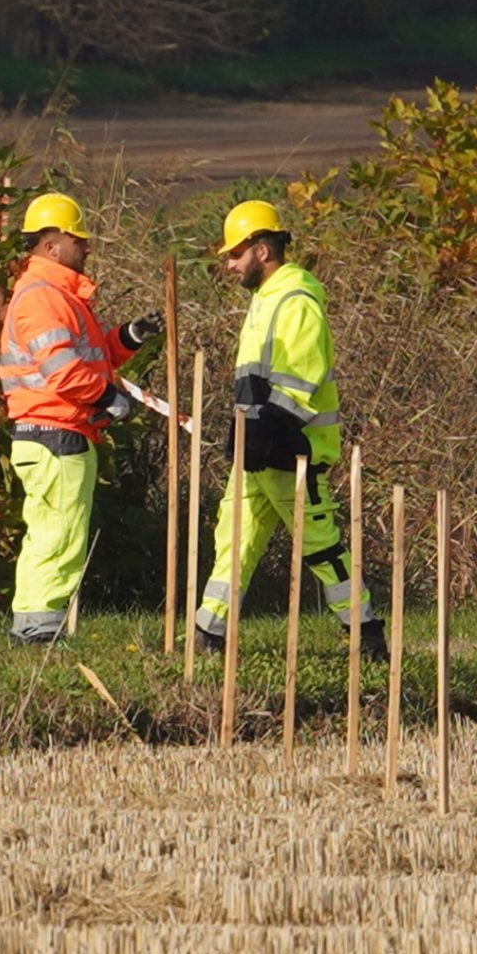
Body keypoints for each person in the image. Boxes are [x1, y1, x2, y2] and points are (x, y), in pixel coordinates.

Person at [193, 200, 388, 660]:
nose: (228, 264)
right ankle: (209, 634)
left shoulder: (295, 299)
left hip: (291, 450)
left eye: (234, 254)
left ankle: (366, 632)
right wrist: (244, 433)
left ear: (262, 250)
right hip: (259, 449)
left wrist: (264, 431)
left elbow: (300, 378)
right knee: (232, 542)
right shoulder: (266, 300)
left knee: (319, 545)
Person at [0, 192, 164, 645]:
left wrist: (128, 337)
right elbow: (64, 372)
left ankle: (35, 626)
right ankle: (38, 631)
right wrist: (109, 397)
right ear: (52, 245)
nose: (87, 247)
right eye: (79, 239)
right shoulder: (43, 298)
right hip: (56, 435)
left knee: (53, 534)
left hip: (56, 434)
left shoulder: (58, 297)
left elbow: (89, 359)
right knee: (59, 537)